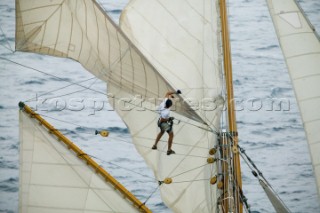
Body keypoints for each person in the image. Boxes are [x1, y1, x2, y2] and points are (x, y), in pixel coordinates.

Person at [152, 90, 181, 155]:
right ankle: (169, 150)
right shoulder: (166, 112)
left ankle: (154, 145)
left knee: (161, 132)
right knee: (171, 135)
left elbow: (168, 93)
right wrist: (169, 119)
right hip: (162, 123)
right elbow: (163, 120)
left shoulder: (164, 102)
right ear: (169, 106)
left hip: (159, 120)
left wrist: (176, 93)